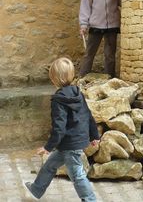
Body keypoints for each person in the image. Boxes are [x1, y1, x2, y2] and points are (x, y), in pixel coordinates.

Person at [24, 57, 99, 200]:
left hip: (70, 144)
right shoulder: (78, 94)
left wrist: (47, 147)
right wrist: (95, 135)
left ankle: (90, 199)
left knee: (77, 175)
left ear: (54, 78)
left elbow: (59, 128)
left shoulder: (58, 99)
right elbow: (88, 116)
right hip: (70, 143)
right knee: (50, 166)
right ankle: (36, 189)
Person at [78, 0, 121, 78]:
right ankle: (82, 77)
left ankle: (110, 79)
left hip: (112, 25)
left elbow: (121, 1)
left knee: (110, 55)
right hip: (95, 24)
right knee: (89, 53)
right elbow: (85, 6)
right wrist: (83, 24)